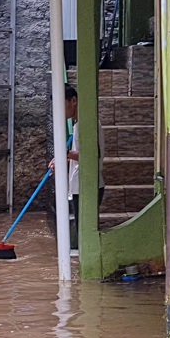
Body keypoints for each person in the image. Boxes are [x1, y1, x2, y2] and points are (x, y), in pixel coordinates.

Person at [48, 85, 106, 249]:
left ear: (73, 101)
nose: (59, 111)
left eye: (61, 104)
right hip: (80, 185)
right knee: (83, 230)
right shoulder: (78, 125)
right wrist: (63, 157)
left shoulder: (87, 125)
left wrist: (64, 154)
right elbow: (81, 154)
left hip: (88, 186)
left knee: (85, 231)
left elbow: (91, 156)